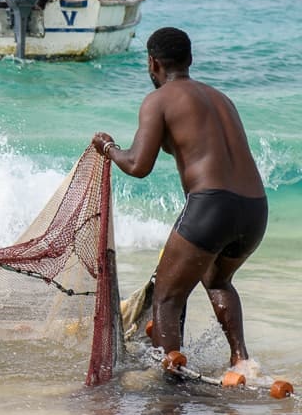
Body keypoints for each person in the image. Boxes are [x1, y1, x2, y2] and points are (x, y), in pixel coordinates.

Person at [91, 26, 267, 369]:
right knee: (218, 279)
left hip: (212, 206)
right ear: (190, 59)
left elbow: (139, 165)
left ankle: (172, 385)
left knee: (167, 299)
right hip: (255, 209)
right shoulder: (221, 99)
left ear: (152, 63)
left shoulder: (158, 100)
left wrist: (108, 148)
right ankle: (241, 361)